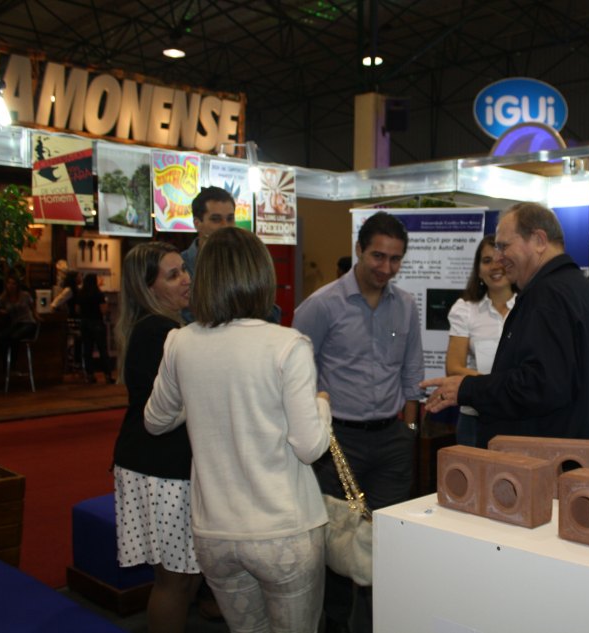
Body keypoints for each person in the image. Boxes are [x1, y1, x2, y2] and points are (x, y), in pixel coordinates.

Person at [145, 227, 331, 633]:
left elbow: (156, 420)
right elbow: (310, 446)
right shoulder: (288, 344)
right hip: (283, 531)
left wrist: (200, 402)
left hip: (215, 533)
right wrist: (322, 404)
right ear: (261, 276)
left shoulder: (180, 342)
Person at [292, 211, 423, 633]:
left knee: (384, 538)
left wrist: (409, 432)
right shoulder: (321, 305)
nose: (386, 267)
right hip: (337, 443)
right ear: (358, 251)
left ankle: (378, 623)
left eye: (395, 259)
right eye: (378, 256)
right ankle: (335, 623)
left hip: (391, 442)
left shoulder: (406, 306)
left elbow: (412, 374)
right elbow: (297, 374)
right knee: (337, 541)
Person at [423, 202, 589, 467]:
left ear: (539, 240)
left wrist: (468, 388)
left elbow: (539, 386)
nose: (499, 258)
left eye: (504, 246)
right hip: (580, 466)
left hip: (547, 469)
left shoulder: (547, 297)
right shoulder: (588, 295)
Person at [112, 242, 199, 633]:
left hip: (158, 463)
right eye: (173, 275)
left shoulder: (162, 327)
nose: (186, 279)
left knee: (184, 576)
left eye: (184, 270)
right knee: (174, 581)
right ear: (148, 288)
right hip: (159, 467)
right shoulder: (159, 331)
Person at [446, 235, 516, 447]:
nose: (495, 266)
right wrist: (497, 385)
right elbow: (453, 368)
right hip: (474, 419)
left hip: (518, 416)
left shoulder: (530, 305)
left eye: (501, 259)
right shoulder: (464, 309)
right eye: (487, 261)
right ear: (478, 270)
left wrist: (486, 384)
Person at [181, 186, 281, 324]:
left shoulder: (246, 261)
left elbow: (269, 310)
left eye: (230, 218)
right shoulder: (182, 266)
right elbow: (182, 314)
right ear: (197, 223)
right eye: (216, 219)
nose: (225, 226)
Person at [76, 272, 114, 383]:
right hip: (97, 322)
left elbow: (77, 309)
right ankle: (107, 374)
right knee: (102, 349)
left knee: (87, 350)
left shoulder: (81, 294)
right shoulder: (98, 294)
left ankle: (90, 375)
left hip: (84, 323)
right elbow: (103, 310)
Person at [0, 275, 38, 371]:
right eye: (9, 283)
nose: (11, 286)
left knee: (14, 337)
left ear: (18, 285)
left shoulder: (25, 295)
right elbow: (2, 309)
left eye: (14, 284)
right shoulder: (3, 298)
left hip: (28, 322)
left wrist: (36, 316)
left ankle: (13, 365)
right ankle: (5, 364)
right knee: (1, 336)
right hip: (16, 323)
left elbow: (33, 306)